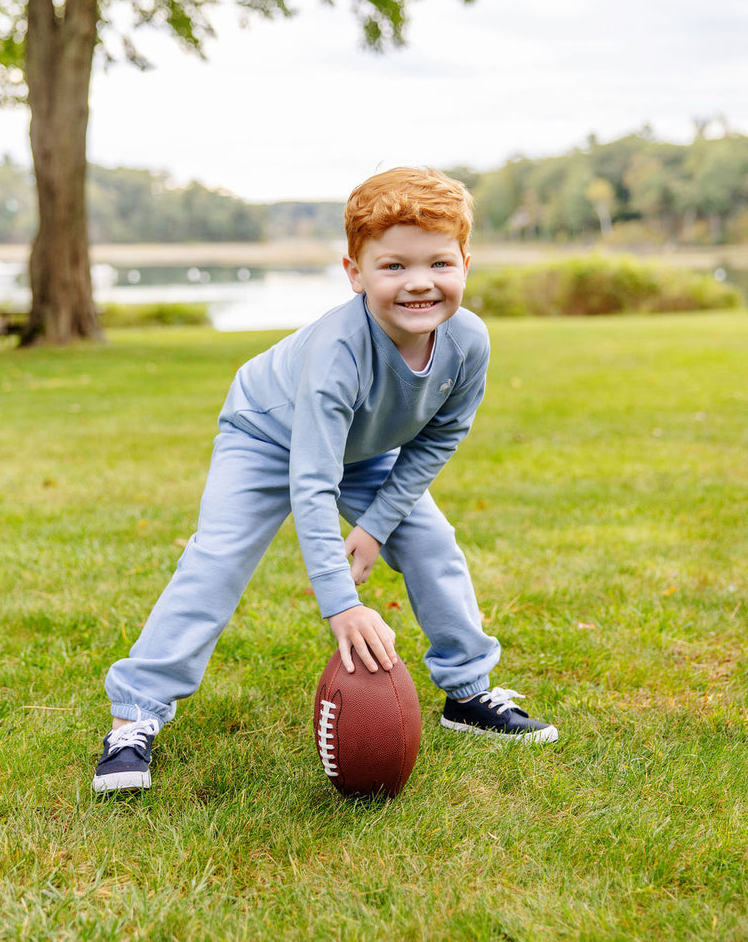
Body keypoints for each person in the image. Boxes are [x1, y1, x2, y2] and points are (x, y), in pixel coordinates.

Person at [93, 167, 557, 793]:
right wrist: (342, 604)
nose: (419, 283)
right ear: (353, 272)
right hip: (268, 434)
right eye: (393, 266)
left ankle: (469, 693)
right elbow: (310, 482)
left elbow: (439, 438)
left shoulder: (468, 341)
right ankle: (136, 715)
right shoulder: (337, 351)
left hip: (363, 450)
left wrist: (375, 525)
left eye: (439, 264)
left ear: (466, 263)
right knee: (217, 559)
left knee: (431, 542)